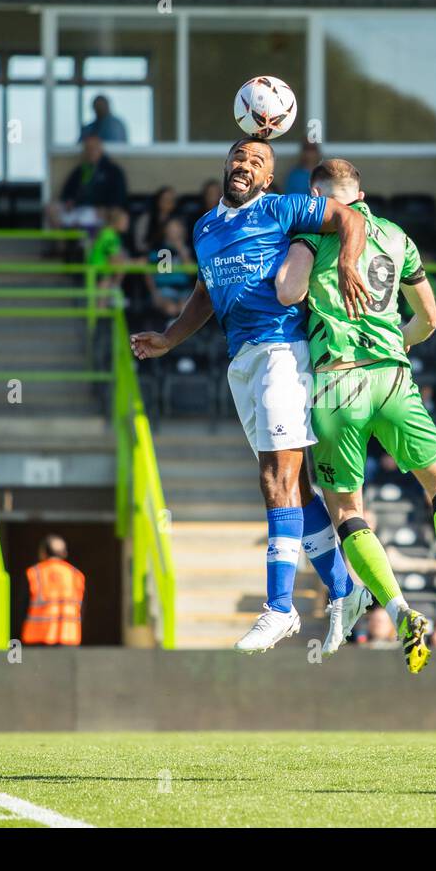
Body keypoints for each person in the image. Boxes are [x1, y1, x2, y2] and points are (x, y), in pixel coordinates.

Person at [129, 137, 368, 658]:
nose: (247, 165)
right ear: (226, 166)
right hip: (244, 360)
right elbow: (205, 293)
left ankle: (280, 608)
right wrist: (171, 337)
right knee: (297, 489)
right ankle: (347, 590)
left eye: (258, 161)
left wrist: (348, 263)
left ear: (267, 177)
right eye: (240, 158)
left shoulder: (283, 207)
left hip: (282, 349)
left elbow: (350, 219)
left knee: (274, 478)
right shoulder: (205, 227)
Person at [274, 157, 436, 670]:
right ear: (360, 192)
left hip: (336, 382)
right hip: (393, 378)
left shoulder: (312, 233)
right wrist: (396, 345)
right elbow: (430, 318)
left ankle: (397, 611)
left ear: (316, 196)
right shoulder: (398, 236)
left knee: (348, 510)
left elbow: (290, 290)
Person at [47, 134, 128, 231]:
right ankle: (61, 245)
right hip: (78, 208)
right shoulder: (80, 171)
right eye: (87, 149)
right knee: (51, 208)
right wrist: (68, 201)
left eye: (93, 148)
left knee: (87, 217)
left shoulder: (112, 171)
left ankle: (86, 245)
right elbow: (67, 193)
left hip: (98, 211)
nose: (90, 152)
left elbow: (119, 198)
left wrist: (106, 209)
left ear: (100, 149)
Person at [22, 535, 86, 646]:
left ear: (43, 552)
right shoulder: (76, 575)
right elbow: (81, 608)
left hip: (37, 640)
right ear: (64, 553)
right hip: (69, 638)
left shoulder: (34, 573)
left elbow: (22, 606)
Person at [132, 186, 178, 257]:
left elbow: (180, 247)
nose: (168, 202)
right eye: (165, 199)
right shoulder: (145, 219)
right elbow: (139, 245)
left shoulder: (177, 222)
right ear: (158, 200)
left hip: (172, 258)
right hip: (147, 256)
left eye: (171, 200)